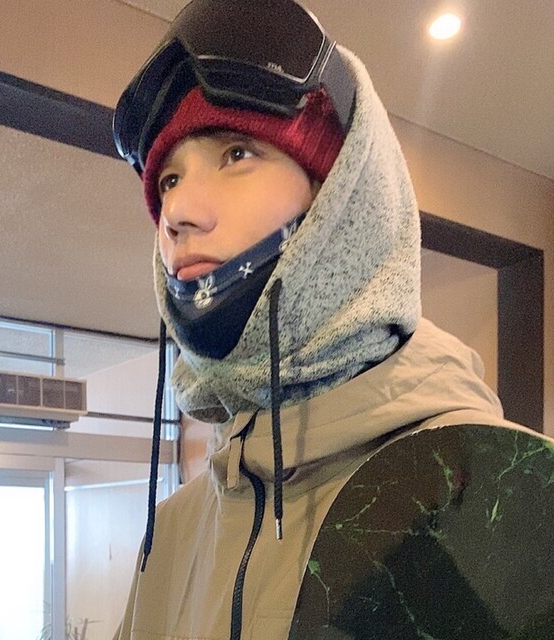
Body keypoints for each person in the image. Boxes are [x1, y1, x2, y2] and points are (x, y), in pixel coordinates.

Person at [110, 1, 525, 638]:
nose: (178, 212)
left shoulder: (495, 494)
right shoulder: (168, 536)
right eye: (168, 179)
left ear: (343, 195)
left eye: (237, 153)